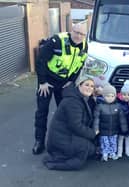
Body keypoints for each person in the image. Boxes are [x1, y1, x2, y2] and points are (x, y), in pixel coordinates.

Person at [32, 23, 88, 155]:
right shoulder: (57, 41)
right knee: (42, 112)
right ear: (71, 30)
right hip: (47, 81)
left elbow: (79, 65)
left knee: (65, 112)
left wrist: (71, 81)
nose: (79, 36)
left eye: (82, 34)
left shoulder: (85, 46)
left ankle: (62, 140)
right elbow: (40, 60)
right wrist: (42, 82)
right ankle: (39, 141)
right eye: (77, 32)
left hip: (64, 83)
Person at [42, 75, 98, 170]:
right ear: (79, 86)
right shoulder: (72, 102)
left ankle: (64, 155)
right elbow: (76, 126)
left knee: (91, 150)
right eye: (86, 85)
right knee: (85, 150)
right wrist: (92, 133)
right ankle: (54, 164)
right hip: (61, 139)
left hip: (67, 135)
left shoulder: (80, 98)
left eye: (92, 86)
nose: (89, 88)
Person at [93, 84, 128, 161]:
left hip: (114, 130)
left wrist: (124, 128)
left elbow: (122, 118)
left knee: (113, 142)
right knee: (105, 143)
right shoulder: (99, 106)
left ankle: (112, 153)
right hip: (103, 130)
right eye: (108, 96)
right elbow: (96, 119)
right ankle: (105, 153)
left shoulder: (118, 106)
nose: (110, 98)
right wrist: (96, 128)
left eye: (112, 96)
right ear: (104, 96)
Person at [117, 80, 129, 158]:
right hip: (121, 124)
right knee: (120, 139)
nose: (126, 96)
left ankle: (128, 151)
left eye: (128, 94)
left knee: (128, 139)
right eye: (124, 94)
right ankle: (119, 152)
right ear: (121, 94)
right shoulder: (119, 103)